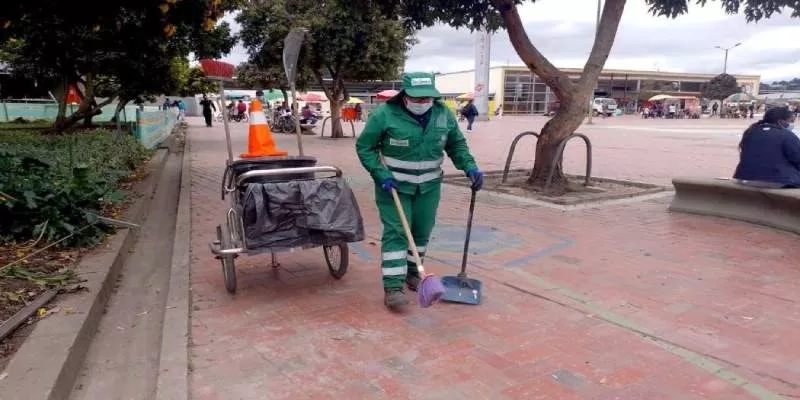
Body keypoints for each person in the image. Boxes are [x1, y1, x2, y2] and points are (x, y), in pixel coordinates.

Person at [355, 72, 484, 310]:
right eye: (418, 98)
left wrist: (470, 167)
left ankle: (414, 273)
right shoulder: (384, 115)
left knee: (421, 232)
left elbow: (456, 144)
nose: (423, 102)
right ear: (405, 96)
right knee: (397, 233)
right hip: (393, 187)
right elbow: (365, 147)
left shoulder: (443, 114)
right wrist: (380, 174)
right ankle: (393, 286)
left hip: (429, 186)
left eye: (428, 98)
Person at [733, 107, 800, 188]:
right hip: (776, 180)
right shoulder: (787, 135)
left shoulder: (751, 132)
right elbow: (797, 158)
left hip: (745, 178)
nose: (792, 125)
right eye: (791, 121)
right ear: (780, 121)